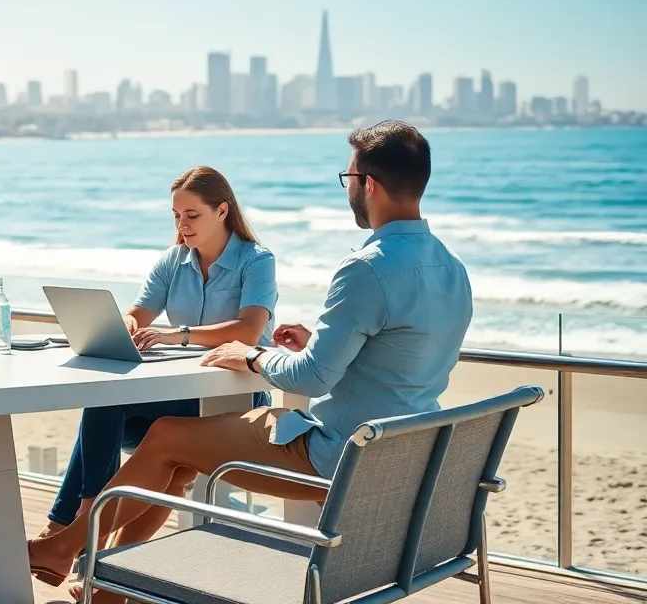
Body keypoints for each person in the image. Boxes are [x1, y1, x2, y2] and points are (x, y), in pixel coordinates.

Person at [28, 121, 472, 603]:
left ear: (369, 185)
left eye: (348, 179)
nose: (348, 190)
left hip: (336, 455)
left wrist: (255, 353)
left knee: (165, 439)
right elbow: (401, 354)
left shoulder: (366, 267)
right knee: (173, 446)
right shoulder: (452, 267)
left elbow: (314, 377)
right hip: (405, 450)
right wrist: (310, 342)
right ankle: (107, 584)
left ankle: (69, 549)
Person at [39, 166, 277, 550]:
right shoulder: (173, 260)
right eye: (177, 215)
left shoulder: (256, 260)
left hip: (235, 397)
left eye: (192, 215)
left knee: (122, 419)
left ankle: (74, 527)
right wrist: (125, 324)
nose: (182, 224)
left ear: (222, 211)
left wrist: (178, 335)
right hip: (182, 393)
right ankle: (82, 531)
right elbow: (139, 312)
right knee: (104, 402)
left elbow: (248, 331)